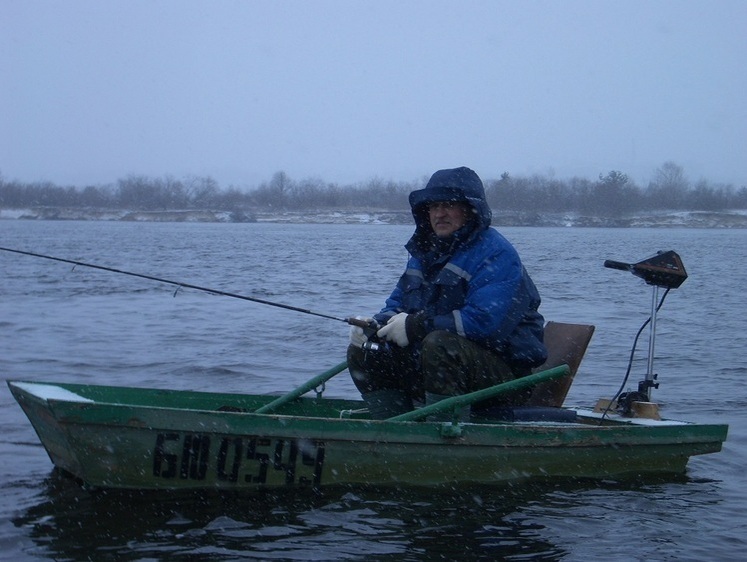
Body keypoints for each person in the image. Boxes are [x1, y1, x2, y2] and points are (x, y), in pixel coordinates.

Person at [347, 166, 547, 420]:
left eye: (448, 205)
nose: (439, 214)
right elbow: (398, 304)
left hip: (505, 379)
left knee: (441, 344)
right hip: (439, 369)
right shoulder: (424, 253)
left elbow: (484, 323)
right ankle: (392, 427)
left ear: (471, 210)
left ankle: (445, 434)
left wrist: (416, 326)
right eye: (433, 206)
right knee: (366, 349)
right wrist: (374, 324)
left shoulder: (497, 254)